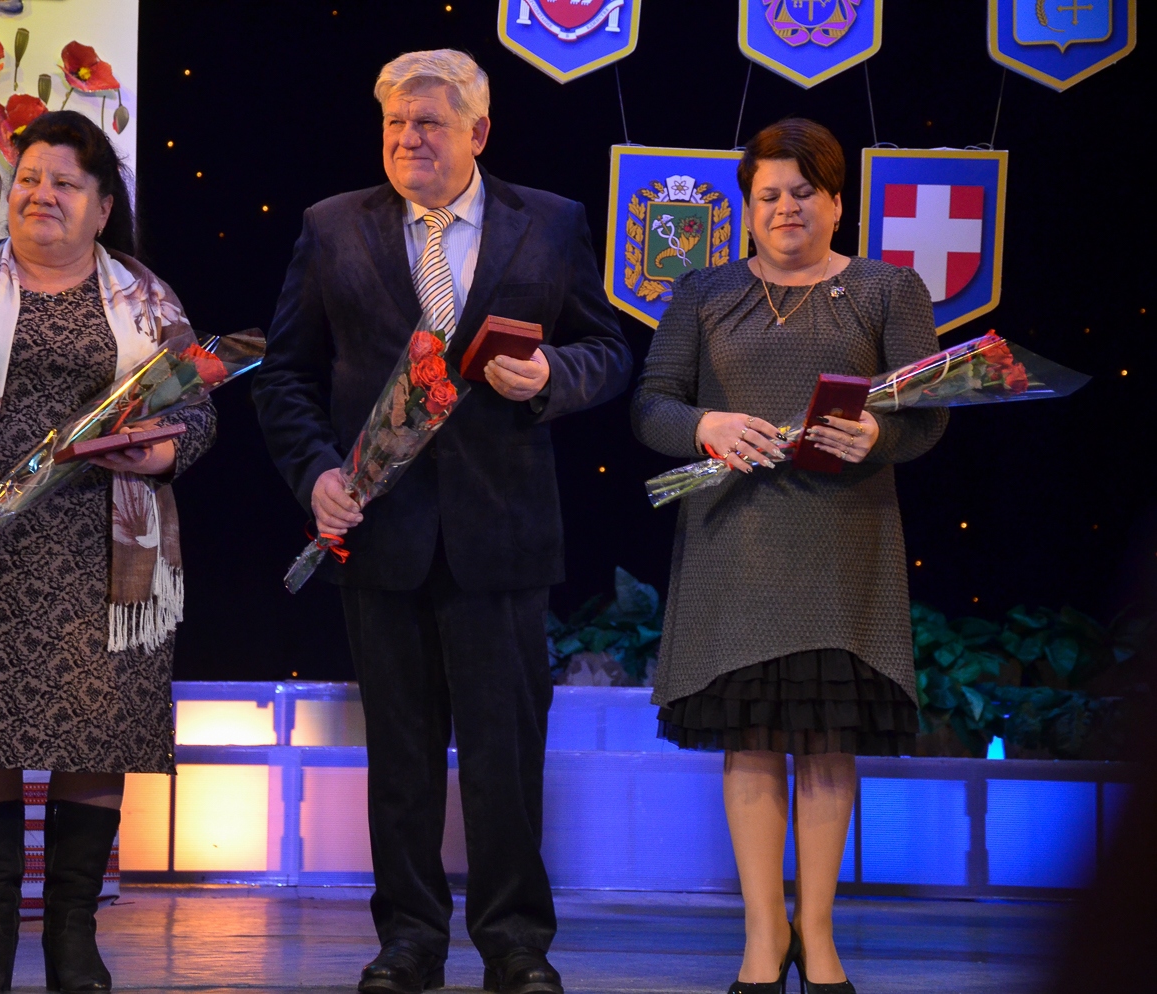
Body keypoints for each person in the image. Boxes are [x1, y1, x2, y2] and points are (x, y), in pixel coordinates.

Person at [253, 49, 631, 994]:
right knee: (402, 757)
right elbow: (286, 374)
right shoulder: (331, 226)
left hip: (503, 536)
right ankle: (410, 940)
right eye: (394, 123)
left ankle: (516, 944)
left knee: (506, 754)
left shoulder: (551, 222)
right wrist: (316, 475)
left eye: (428, 122)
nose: (408, 138)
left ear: (479, 132)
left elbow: (608, 349)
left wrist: (551, 376)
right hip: (381, 533)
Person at [0, 111, 215, 994]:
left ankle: (72, 940)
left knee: (96, 733)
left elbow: (196, 409)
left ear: (102, 207)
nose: (42, 195)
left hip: (109, 557)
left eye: (65, 183)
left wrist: (162, 449)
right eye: (28, 178)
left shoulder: (147, 297)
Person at [631, 117, 947, 994]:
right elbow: (650, 404)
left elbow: (930, 414)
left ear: (837, 202)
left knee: (829, 743)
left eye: (802, 193)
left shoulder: (888, 289)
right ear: (747, 207)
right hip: (735, 551)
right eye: (767, 195)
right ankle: (764, 937)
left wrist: (880, 433)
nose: (784, 208)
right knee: (752, 744)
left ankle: (820, 932)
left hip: (845, 550)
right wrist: (705, 423)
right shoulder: (702, 290)